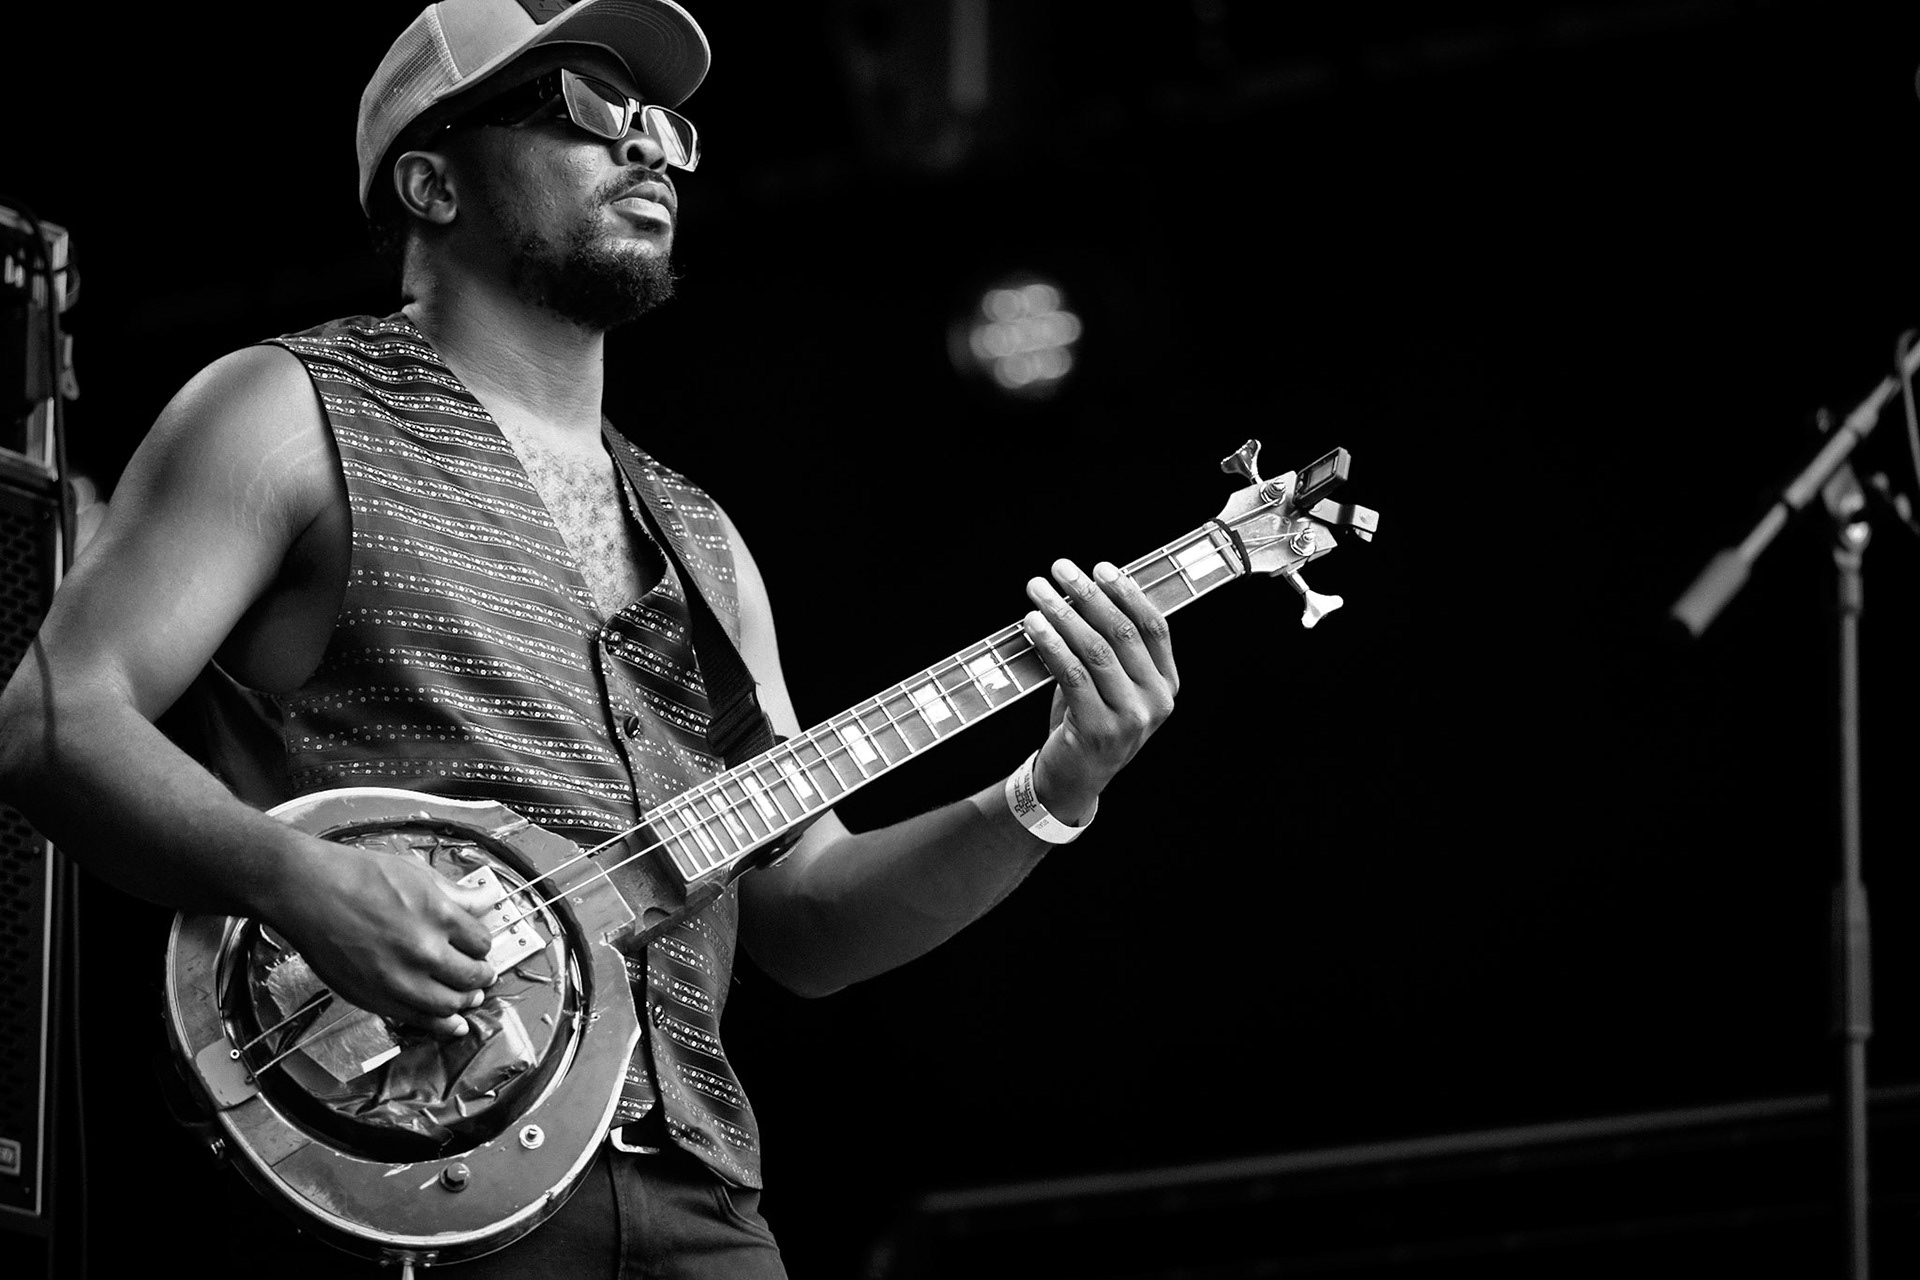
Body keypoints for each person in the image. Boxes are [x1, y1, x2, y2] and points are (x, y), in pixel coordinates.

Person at [0, 0, 1178, 1275]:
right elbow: (54, 721)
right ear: (430, 181)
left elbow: (806, 916)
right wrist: (305, 883)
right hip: (406, 1179)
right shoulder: (281, 409)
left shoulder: (701, 539)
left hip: (702, 1205)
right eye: (587, 112)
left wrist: (1052, 790)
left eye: (666, 125)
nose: (654, 150)